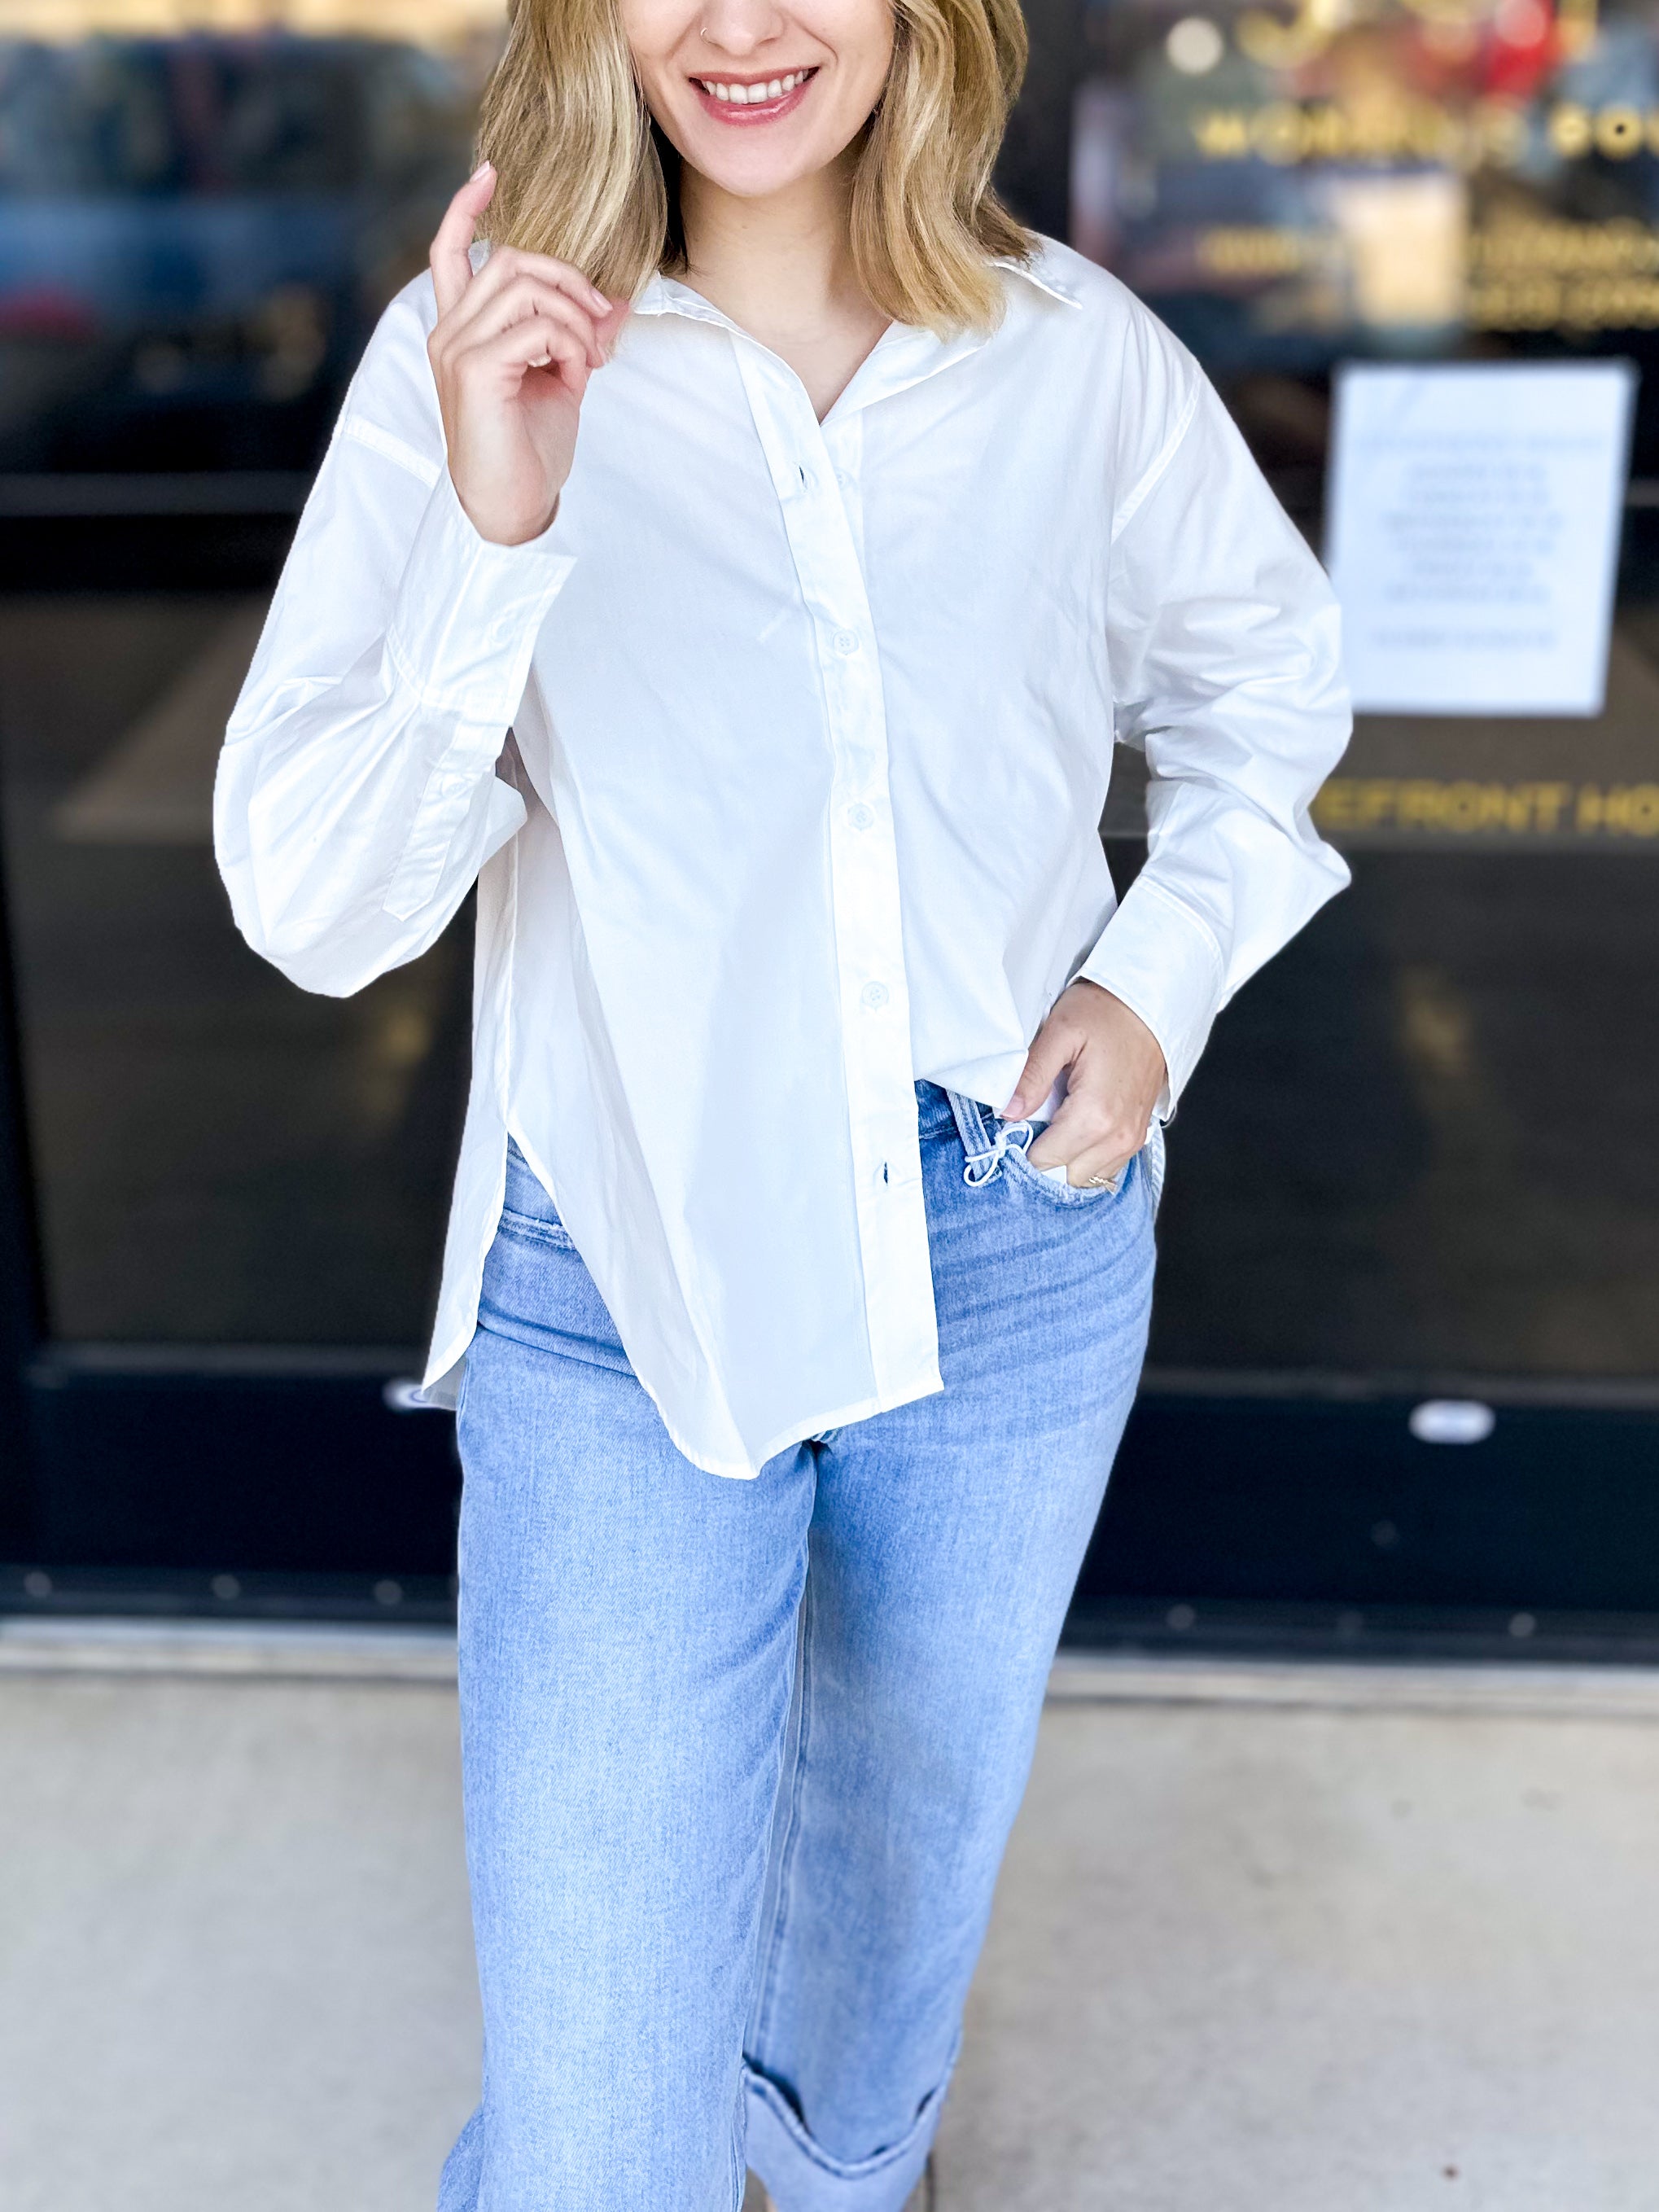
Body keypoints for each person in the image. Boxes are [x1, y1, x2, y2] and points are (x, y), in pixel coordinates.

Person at [213, 0, 1350, 2193]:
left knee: (868, 1998)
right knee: (600, 2136)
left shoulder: (1066, 350)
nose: (740, 24)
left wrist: (1155, 977)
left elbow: (1262, 690)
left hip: (1014, 1238)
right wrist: (495, 525)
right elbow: (320, 907)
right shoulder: (468, 359)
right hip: (628, 1273)